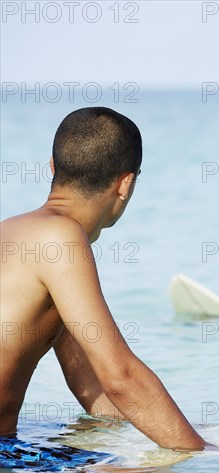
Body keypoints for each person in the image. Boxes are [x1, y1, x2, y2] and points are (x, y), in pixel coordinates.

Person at [0, 107, 205, 453]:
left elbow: (91, 386)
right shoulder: (61, 240)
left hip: (8, 446)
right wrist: (204, 456)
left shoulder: (12, 230)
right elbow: (121, 376)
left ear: (53, 166)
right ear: (126, 184)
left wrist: (172, 430)